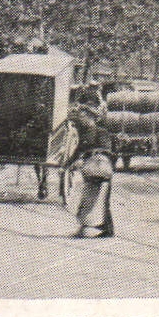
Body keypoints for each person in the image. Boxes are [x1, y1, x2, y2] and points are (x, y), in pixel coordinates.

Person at [69, 99, 115, 238]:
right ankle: (105, 228)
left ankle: (94, 228)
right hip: (90, 170)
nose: (82, 119)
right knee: (92, 199)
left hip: (100, 169)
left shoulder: (101, 132)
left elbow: (105, 149)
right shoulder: (83, 134)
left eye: (84, 116)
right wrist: (69, 164)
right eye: (81, 117)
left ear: (92, 118)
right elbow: (77, 151)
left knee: (93, 199)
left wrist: (86, 156)